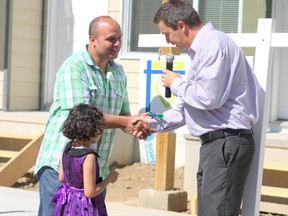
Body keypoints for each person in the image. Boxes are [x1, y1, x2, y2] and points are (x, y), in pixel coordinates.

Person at [133, 0, 261, 215]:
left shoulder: (213, 45)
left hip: (225, 142)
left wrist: (176, 83)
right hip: (217, 144)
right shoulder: (203, 49)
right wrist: (152, 124)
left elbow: (208, 98)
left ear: (181, 26)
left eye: (167, 34)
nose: (168, 41)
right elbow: (189, 106)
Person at [34, 15, 152, 216]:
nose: (117, 44)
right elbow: (82, 116)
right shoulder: (74, 67)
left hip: (96, 169)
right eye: (111, 39)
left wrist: (135, 126)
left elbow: (123, 115)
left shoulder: (118, 73)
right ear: (92, 39)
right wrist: (126, 121)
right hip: (62, 169)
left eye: (120, 39)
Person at [52, 103, 118, 216]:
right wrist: (109, 179)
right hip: (85, 207)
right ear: (92, 129)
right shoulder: (89, 156)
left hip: (69, 203)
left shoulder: (67, 148)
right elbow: (90, 192)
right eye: (100, 128)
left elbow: (62, 178)